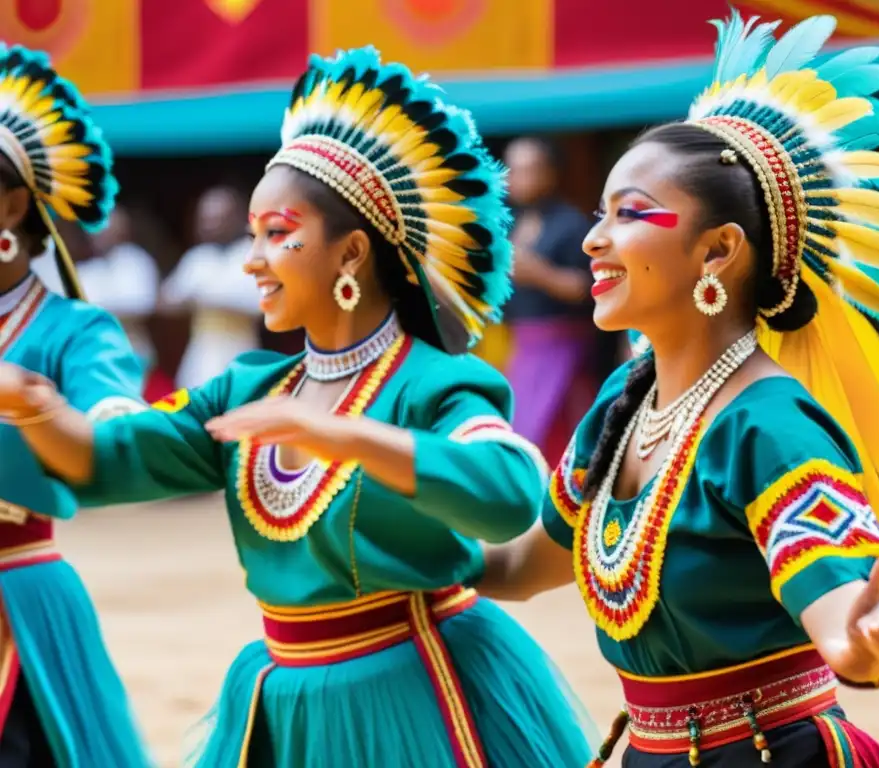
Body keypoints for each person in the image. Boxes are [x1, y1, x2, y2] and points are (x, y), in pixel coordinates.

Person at [0, 48, 594, 767]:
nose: (253, 259)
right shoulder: (250, 387)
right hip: (286, 704)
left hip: (409, 697)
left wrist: (342, 434)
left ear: (350, 254)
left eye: (277, 234)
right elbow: (111, 460)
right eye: (252, 236)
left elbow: (507, 493)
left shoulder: (430, 381)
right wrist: (34, 406)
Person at [479, 12, 879, 767]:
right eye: (597, 214)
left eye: (630, 214)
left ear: (718, 250)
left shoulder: (768, 425)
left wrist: (861, 644)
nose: (592, 241)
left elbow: (843, 613)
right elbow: (522, 568)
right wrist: (391, 545)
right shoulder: (624, 404)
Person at [0, 46, 151, 766]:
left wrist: (51, 412)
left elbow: (112, 426)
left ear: (12, 205)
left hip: (16, 598)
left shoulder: (74, 330)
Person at [502, 136, 599, 462]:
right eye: (513, 170)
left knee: (558, 431)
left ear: (548, 174)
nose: (519, 179)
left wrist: (539, 273)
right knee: (522, 429)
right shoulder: (509, 224)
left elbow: (587, 287)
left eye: (529, 170)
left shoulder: (570, 224)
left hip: (562, 347)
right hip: (521, 345)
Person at [160, 185, 262, 389]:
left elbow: (263, 304)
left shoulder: (254, 254)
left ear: (237, 218)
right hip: (201, 352)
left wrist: (210, 295)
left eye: (218, 219)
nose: (210, 226)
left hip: (240, 349)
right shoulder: (198, 258)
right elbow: (165, 301)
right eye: (206, 220)